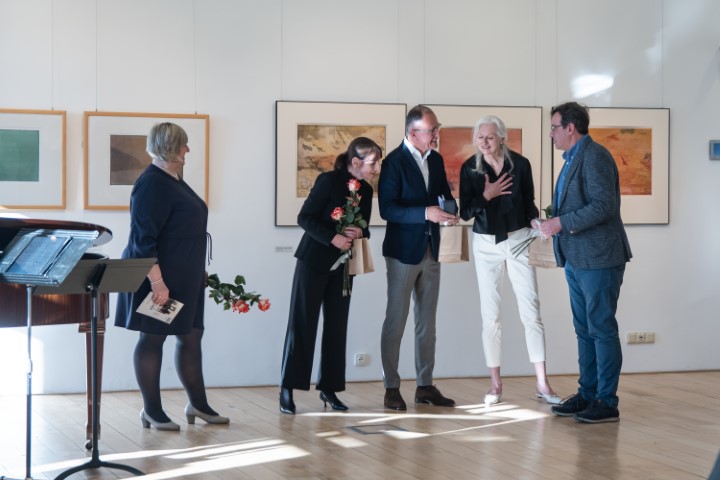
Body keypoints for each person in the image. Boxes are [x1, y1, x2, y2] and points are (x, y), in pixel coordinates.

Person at [115, 122, 228, 431]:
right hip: (160, 281)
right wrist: (157, 283)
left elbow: (182, 231)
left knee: (191, 336)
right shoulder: (152, 183)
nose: (188, 149)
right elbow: (142, 240)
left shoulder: (174, 179)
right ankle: (152, 411)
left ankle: (198, 405)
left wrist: (196, 269)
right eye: (183, 145)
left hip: (184, 279)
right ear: (169, 147)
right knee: (153, 339)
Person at [459, 115, 561, 406]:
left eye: (489, 137)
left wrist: (536, 222)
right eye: (480, 137)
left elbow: (528, 203)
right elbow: (465, 212)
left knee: (531, 311)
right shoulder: (469, 168)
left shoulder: (521, 164)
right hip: (485, 244)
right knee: (490, 315)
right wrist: (487, 195)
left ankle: (542, 382)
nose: (484, 142)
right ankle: (495, 384)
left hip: (518, 239)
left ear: (502, 138)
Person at [539, 102, 632, 423]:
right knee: (584, 329)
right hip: (577, 258)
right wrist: (552, 219)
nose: (550, 133)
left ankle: (606, 401)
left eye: (554, 127)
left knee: (601, 328)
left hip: (600, 258)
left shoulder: (595, 156)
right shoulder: (572, 159)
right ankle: (588, 394)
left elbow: (604, 205)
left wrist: (561, 223)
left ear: (570, 128)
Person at [279, 137, 381, 414]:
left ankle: (330, 388)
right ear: (356, 161)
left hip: (345, 266)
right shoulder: (327, 181)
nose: (376, 169)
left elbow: (365, 228)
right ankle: (288, 388)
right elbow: (305, 218)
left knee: (337, 327)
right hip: (313, 261)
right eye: (373, 163)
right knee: (302, 324)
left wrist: (359, 232)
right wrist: (332, 238)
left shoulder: (366, 190)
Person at [378, 105, 459, 411]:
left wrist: (449, 210)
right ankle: (391, 387)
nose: (437, 134)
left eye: (437, 128)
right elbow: (387, 210)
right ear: (413, 132)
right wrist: (426, 213)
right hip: (402, 253)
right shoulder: (393, 162)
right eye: (432, 130)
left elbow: (442, 195)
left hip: (432, 250)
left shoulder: (435, 160)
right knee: (396, 322)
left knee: (427, 323)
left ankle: (425, 386)